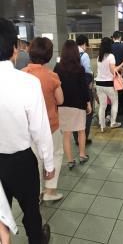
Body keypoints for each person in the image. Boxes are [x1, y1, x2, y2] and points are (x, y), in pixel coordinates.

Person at [0, 18, 55, 244]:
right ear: (15, 47)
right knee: (31, 212)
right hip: (21, 163)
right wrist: (49, 164)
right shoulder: (27, 83)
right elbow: (40, 129)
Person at [22, 37, 64, 202]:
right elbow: (60, 100)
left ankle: (37, 192)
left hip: (27, 128)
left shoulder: (22, 74)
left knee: (35, 159)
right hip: (50, 125)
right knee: (55, 154)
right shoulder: (52, 76)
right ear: (48, 55)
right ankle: (50, 191)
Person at [54, 40, 91, 169]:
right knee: (81, 131)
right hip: (78, 105)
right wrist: (88, 103)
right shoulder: (79, 69)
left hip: (63, 105)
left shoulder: (57, 67)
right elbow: (84, 88)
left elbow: (55, 87)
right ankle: (82, 155)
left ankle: (70, 161)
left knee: (67, 134)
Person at [96, 37, 123, 132]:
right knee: (114, 102)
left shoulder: (99, 57)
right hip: (108, 84)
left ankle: (102, 126)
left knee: (102, 105)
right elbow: (113, 71)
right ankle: (113, 122)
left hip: (99, 83)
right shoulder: (110, 56)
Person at [73, 35, 93, 146]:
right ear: (84, 43)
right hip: (83, 88)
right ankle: (83, 138)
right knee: (88, 113)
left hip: (73, 89)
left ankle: (76, 139)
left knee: (76, 114)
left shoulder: (70, 53)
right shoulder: (84, 55)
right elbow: (88, 73)